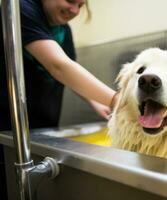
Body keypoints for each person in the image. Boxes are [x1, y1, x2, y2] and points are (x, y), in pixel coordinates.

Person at [0, 0, 118, 131]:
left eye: (80, 5)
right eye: (70, 1)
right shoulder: (21, 9)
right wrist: (118, 100)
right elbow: (59, 67)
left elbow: (70, 75)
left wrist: (95, 101)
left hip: (43, 124)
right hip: (9, 126)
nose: (75, 11)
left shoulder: (63, 29)